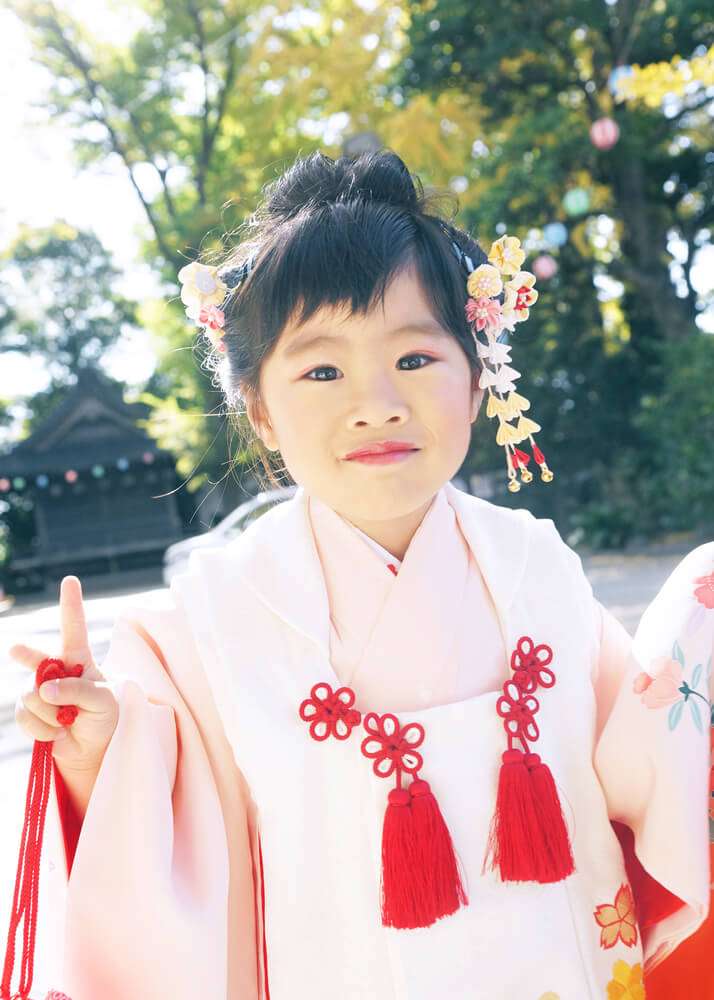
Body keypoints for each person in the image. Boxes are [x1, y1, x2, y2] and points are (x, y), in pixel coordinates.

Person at [7, 149, 711, 1000]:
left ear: (481, 378)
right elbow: (164, 837)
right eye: (322, 370)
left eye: (415, 359)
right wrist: (97, 752)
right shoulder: (210, 617)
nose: (375, 401)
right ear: (260, 411)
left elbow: (644, 776)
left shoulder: (540, 565)